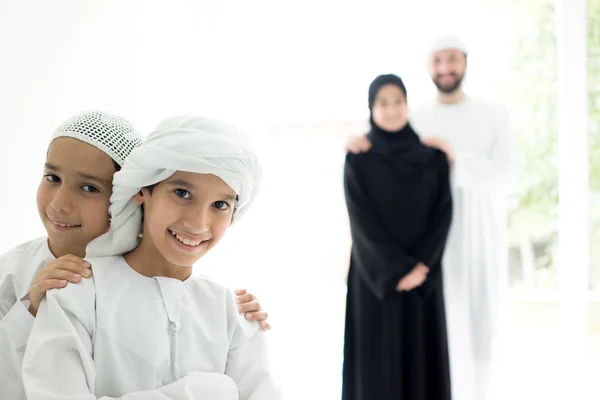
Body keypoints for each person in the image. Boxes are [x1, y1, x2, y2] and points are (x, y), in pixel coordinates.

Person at [0, 111, 269, 400]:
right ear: (141, 190)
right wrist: (211, 390)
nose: (61, 204)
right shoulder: (67, 292)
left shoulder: (230, 312)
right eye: (182, 193)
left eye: (90, 188)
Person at [346, 35, 516, 400]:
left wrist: (456, 159)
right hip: (392, 264)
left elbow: (501, 176)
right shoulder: (416, 117)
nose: (445, 68)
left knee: (468, 338)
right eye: (438, 60)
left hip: (456, 246)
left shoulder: (494, 115)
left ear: (465, 61)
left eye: (452, 59)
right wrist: (354, 142)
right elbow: (367, 190)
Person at [342, 74, 452, 400]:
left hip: (423, 279)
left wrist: (420, 267)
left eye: (398, 102)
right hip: (374, 279)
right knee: (377, 369)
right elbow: (360, 222)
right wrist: (398, 270)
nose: (391, 110)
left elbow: (443, 216)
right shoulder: (358, 158)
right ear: (371, 108)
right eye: (383, 103)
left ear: (407, 105)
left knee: (422, 363)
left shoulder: (432, 158)